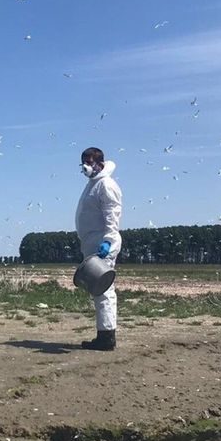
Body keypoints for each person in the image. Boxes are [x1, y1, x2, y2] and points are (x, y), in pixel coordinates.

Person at [75, 146, 122, 351]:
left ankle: (107, 337)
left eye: (89, 161)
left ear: (100, 163)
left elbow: (113, 214)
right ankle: (104, 334)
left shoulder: (106, 184)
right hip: (92, 243)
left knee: (103, 289)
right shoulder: (94, 184)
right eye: (83, 162)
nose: (86, 166)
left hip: (102, 244)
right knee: (98, 290)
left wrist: (109, 241)